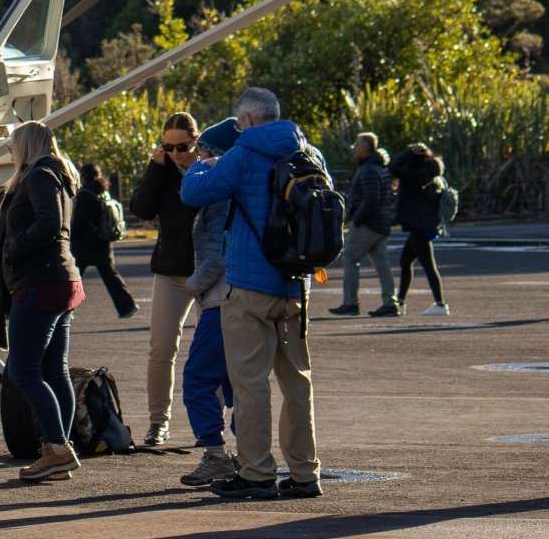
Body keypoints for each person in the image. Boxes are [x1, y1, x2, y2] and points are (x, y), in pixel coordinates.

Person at [180, 87, 323, 500]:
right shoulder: (310, 153)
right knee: (298, 383)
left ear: (245, 121)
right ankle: (304, 473)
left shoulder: (242, 155)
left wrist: (202, 165)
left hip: (249, 284)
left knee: (250, 383)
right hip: (296, 284)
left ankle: (258, 471)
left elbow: (194, 193)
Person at [0, 120, 86, 482]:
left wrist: (12, 246)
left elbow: (48, 224)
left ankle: (56, 448)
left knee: (23, 370)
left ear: (27, 146)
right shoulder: (59, 176)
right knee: (54, 369)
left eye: (12, 144)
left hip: (40, 282)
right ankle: (59, 449)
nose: (9, 150)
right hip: (61, 280)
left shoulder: (39, 176)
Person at [129, 111, 200, 447]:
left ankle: (210, 426)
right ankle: (158, 422)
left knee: (212, 349)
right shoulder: (163, 170)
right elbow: (141, 209)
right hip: (172, 269)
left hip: (210, 270)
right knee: (161, 348)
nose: (175, 154)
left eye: (181, 147)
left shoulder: (213, 166)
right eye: (167, 147)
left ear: (196, 140)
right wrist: (155, 168)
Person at [178, 117, 239, 487]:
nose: (197, 158)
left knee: (199, 377)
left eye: (203, 151)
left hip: (220, 299)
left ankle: (216, 453)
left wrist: (193, 285)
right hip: (244, 296)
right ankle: (248, 452)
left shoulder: (218, 193)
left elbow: (217, 255)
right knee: (240, 382)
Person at [332, 133, 396, 317]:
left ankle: (350, 302)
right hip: (382, 223)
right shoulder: (380, 167)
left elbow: (371, 199)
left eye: (358, 144)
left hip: (368, 223)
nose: (354, 148)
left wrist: (355, 219)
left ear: (367, 147)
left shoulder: (368, 170)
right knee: (382, 264)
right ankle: (390, 302)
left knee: (351, 258)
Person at [384, 143, 449, 317]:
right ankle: (401, 302)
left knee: (428, 265)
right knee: (406, 261)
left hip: (419, 225)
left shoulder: (416, 175)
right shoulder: (429, 172)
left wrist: (406, 152)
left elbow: (393, 168)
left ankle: (440, 304)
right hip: (422, 224)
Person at [71, 163, 139, 318]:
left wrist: (70, 235)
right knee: (110, 277)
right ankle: (127, 306)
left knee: (73, 278)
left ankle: (66, 309)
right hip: (103, 242)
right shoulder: (103, 191)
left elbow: (79, 222)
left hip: (84, 245)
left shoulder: (84, 195)